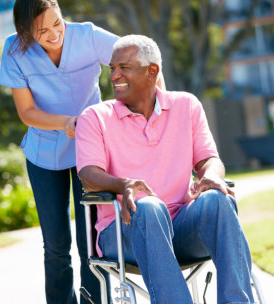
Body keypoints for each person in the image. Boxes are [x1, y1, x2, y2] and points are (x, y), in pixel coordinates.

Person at [75, 35, 255, 304]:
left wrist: (211, 176)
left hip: (180, 226)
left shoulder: (187, 105)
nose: (114, 76)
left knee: (218, 199)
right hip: (125, 231)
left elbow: (209, 159)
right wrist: (122, 184)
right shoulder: (95, 117)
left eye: (124, 67)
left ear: (152, 71)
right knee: (149, 207)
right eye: (112, 68)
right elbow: (88, 174)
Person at [0, 0, 119, 303]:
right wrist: (65, 122)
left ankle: (94, 299)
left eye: (58, 23)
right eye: (42, 31)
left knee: (90, 239)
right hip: (44, 154)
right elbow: (26, 112)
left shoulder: (88, 36)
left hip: (89, 151)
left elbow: (135, 57)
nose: (54, 34)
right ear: (25, 32)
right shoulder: (14, 51)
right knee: (55, 244)